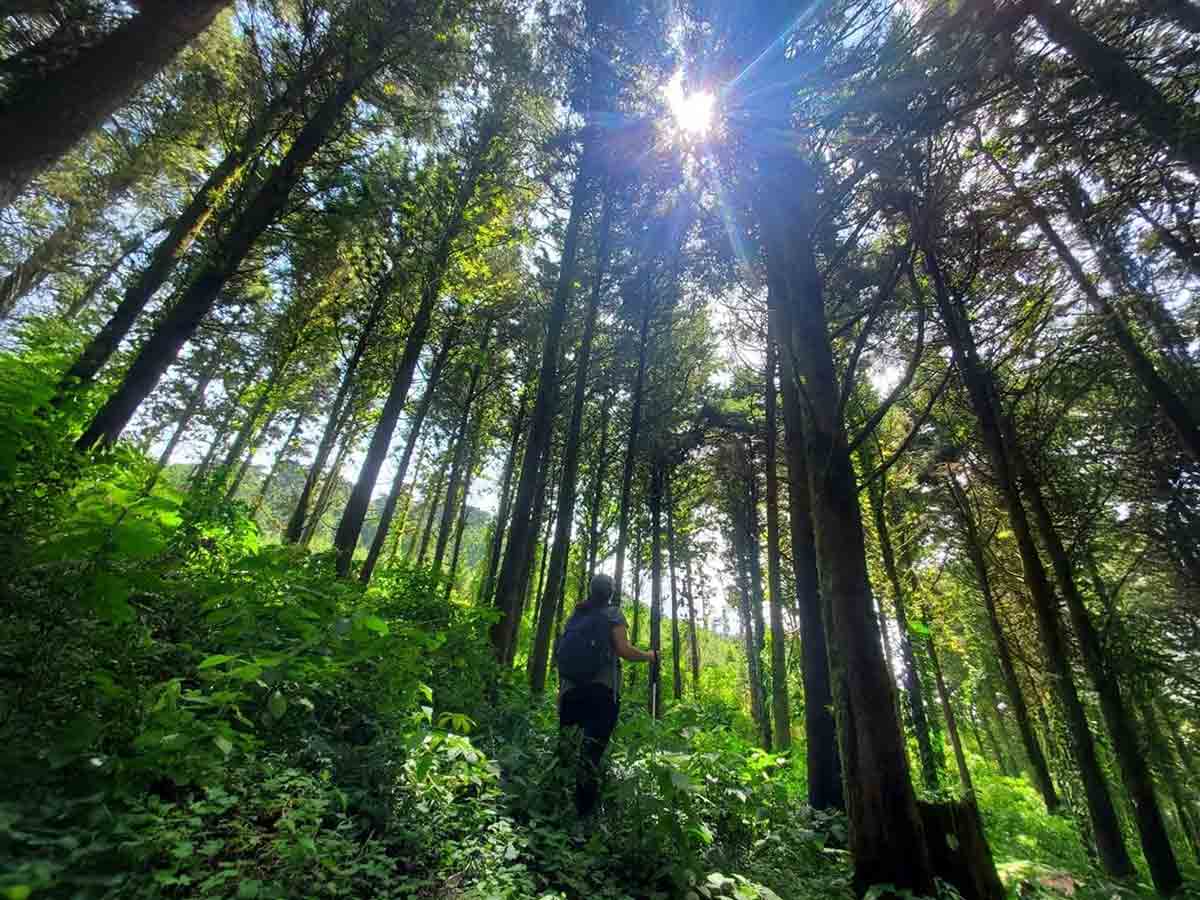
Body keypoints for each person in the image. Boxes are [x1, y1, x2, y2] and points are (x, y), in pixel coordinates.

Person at [556, 572, 657, 818]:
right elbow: (623, 649)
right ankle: (582, 819)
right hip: (601, 694)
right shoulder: (613, 614)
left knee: (567, 751)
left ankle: (555, 807)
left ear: (591, 590)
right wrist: (650, 656)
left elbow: (563, 655)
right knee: (590, 756)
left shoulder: (577, 615)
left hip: (570, 693)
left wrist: (561, 693)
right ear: (611, 592)